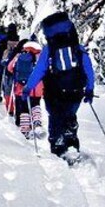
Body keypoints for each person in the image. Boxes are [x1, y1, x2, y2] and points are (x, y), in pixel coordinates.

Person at [23, 10, 96, 159]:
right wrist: (89, 89)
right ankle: (71, 141)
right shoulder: (77, 47)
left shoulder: (49, 50)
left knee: (55, 117)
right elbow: (88, 68)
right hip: (75, 90)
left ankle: (58, 146)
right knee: (70, 114)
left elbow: (39, 70)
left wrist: (28, 88)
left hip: (53, 91)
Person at [7, 41, 44, 139]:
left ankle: (25, 129)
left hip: (21, 88)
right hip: (37, 87)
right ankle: (37, 122)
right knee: (36, 104)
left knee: (24, 109)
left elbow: (10, 68)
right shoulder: (41, 56)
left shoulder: (19, 56)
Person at [0, 23, 19, 106]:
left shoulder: (4, 40)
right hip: (14, 65)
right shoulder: (19, 40)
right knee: (11, 82)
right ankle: (11, 99)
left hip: (2, 63)